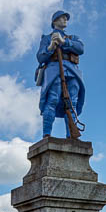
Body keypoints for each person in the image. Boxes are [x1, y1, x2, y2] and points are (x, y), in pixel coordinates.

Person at [37, 10, 85, 138]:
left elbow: (80, 48)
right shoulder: (47, 38)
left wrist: (64, 42)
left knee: (72, 104)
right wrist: (50, 47)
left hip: (72, 72)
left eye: (66, 18)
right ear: (54, 22)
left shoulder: (73, 38)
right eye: (62, 18)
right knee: (52, 100)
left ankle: (71, 135)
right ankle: (47, 134)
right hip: (54, 71)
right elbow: (40, 57)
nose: (65, 20)